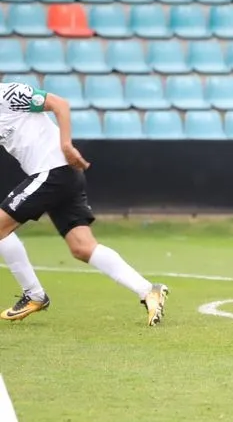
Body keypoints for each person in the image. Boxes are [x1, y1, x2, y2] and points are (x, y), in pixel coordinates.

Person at [0, 82, 168, 326]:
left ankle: (34, 295)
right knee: (82, 247)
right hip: (60, 175)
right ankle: (148, 290)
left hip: (53, 171)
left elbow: (59, 104)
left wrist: (66, 145)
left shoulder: (8, 94)